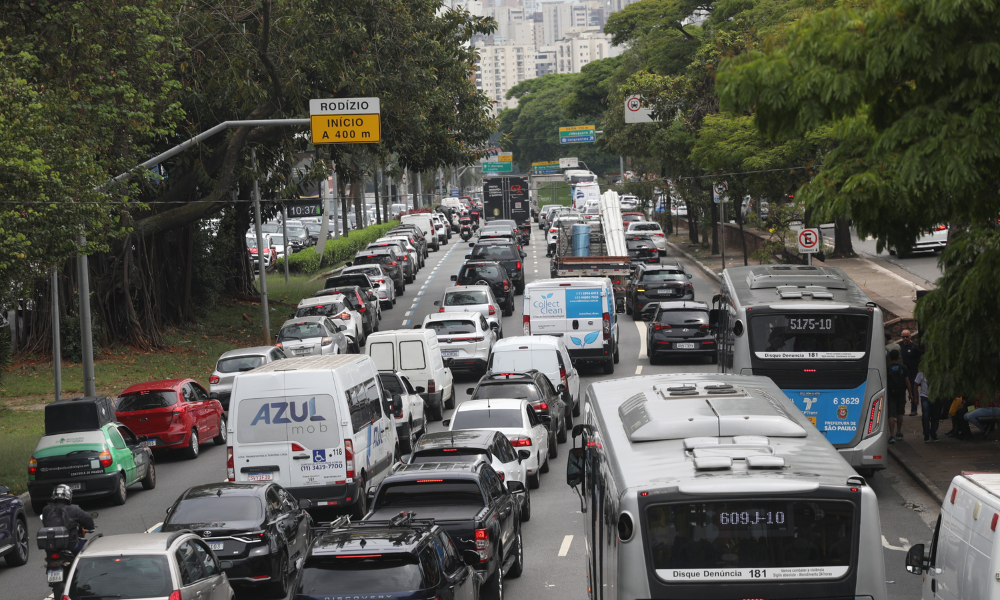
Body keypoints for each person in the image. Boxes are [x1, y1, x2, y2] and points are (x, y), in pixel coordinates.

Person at [41, 484, 95, 552]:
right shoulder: (75, 509)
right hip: (71, 547)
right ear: (69, 496)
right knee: (87, 546)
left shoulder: (46, 510)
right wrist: (91, 527)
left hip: (50, 548)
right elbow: (88, 520)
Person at [886, 349, 910, 443]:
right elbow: (907, 382)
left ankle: (891, 435)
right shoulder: (903, 367)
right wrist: (911, 394)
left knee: (891, 414)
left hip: (890, 393)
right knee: (900, 413)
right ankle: (898, 432)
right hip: (901, 393)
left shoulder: (887, 367)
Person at [898, 330, 923, 416]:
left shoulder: (915, 347)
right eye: (903, 337)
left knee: (913, 390)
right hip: (902, 373)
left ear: (910, 337)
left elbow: (920, 359)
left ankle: (914, 409)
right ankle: (901, 409)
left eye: (907, 337)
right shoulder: (899, 346)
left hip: (913, 372)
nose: (905, 339)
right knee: (901, 391)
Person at [913, 371, 938, 442]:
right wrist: (915, 398)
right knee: (925, 416)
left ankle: (933, 434)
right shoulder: (921, 373)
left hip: (935, 397)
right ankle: (926, 434)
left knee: (935, 416)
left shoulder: (937, 372)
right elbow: (915, 385)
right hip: (925, 397)